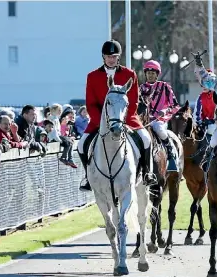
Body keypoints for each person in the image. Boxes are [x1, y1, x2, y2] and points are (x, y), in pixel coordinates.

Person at [77, 39, 157, 191]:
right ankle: (88, 177)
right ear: (103, 57)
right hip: (99, 120)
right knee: (81, 145)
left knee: (146, 139)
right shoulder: (92, 76)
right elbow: (90, 103)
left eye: (114, 56)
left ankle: (147, 173)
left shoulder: (130, 74)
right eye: (108, 56)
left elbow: (133, 101)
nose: (111, 59)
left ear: (118, 57)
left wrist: (121, 121)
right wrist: (103, 121)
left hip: (126, 118)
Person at [139, 60, 181, 172]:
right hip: (144, 121)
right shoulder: (141, 88)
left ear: (157, 74)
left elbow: (175, 106)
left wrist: (165, 110)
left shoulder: (165, 86)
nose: (150, 75)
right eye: (148, 73)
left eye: (153, 73)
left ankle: (171, 154)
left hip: (160, 120)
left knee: (158, 128)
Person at [193, 68, 217, 137]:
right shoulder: (200, 97)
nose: (203, 86)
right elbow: (196, 114)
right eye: (202, 83)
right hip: (204, 128)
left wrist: (212, 121)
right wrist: (200, 123)